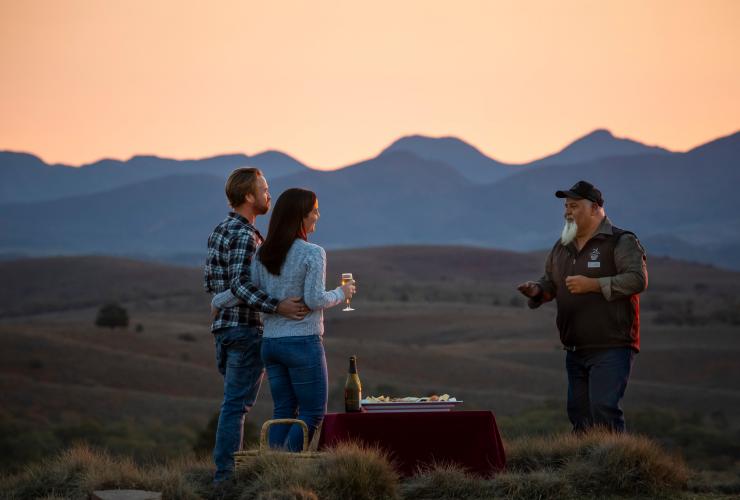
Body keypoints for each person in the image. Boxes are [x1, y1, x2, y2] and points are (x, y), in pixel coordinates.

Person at [213, 188, 355, 451]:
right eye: (314, 211)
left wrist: (217, 302)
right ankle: (286, 469)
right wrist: (342, 292)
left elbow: (244, 288)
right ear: (300, 216)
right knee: (312, 412)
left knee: (284, 411)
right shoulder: (313, 252)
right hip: (302, 342)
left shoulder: (263, 253)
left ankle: (273, 471)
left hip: (271, 344)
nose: (318, 216)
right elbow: (314, 301)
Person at [204, 168, 308, 483]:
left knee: (233, 403)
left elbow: (212, 282)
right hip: (245, 329)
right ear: (249, 196)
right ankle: (225, 478)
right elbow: (239, 283)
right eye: (264, 189)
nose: (268, 194)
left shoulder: (220, 229)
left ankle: (225, 473)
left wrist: (220, 302)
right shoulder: (246, 235)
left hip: (224, 330)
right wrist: (277, 305)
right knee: (236, 405)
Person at [517, 180, 647, 433]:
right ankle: (585, 470)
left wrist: (594, 285)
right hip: (575, 347)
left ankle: (613, 469)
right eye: (566, 206)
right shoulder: (562, 246)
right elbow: (552, 283)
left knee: (603, 409)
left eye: (574, 206)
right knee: (579, 414)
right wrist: (538, 290)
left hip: (612, 344)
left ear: (595, 208)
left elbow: (637, 279)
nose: (567, 211)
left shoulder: (621, 241)